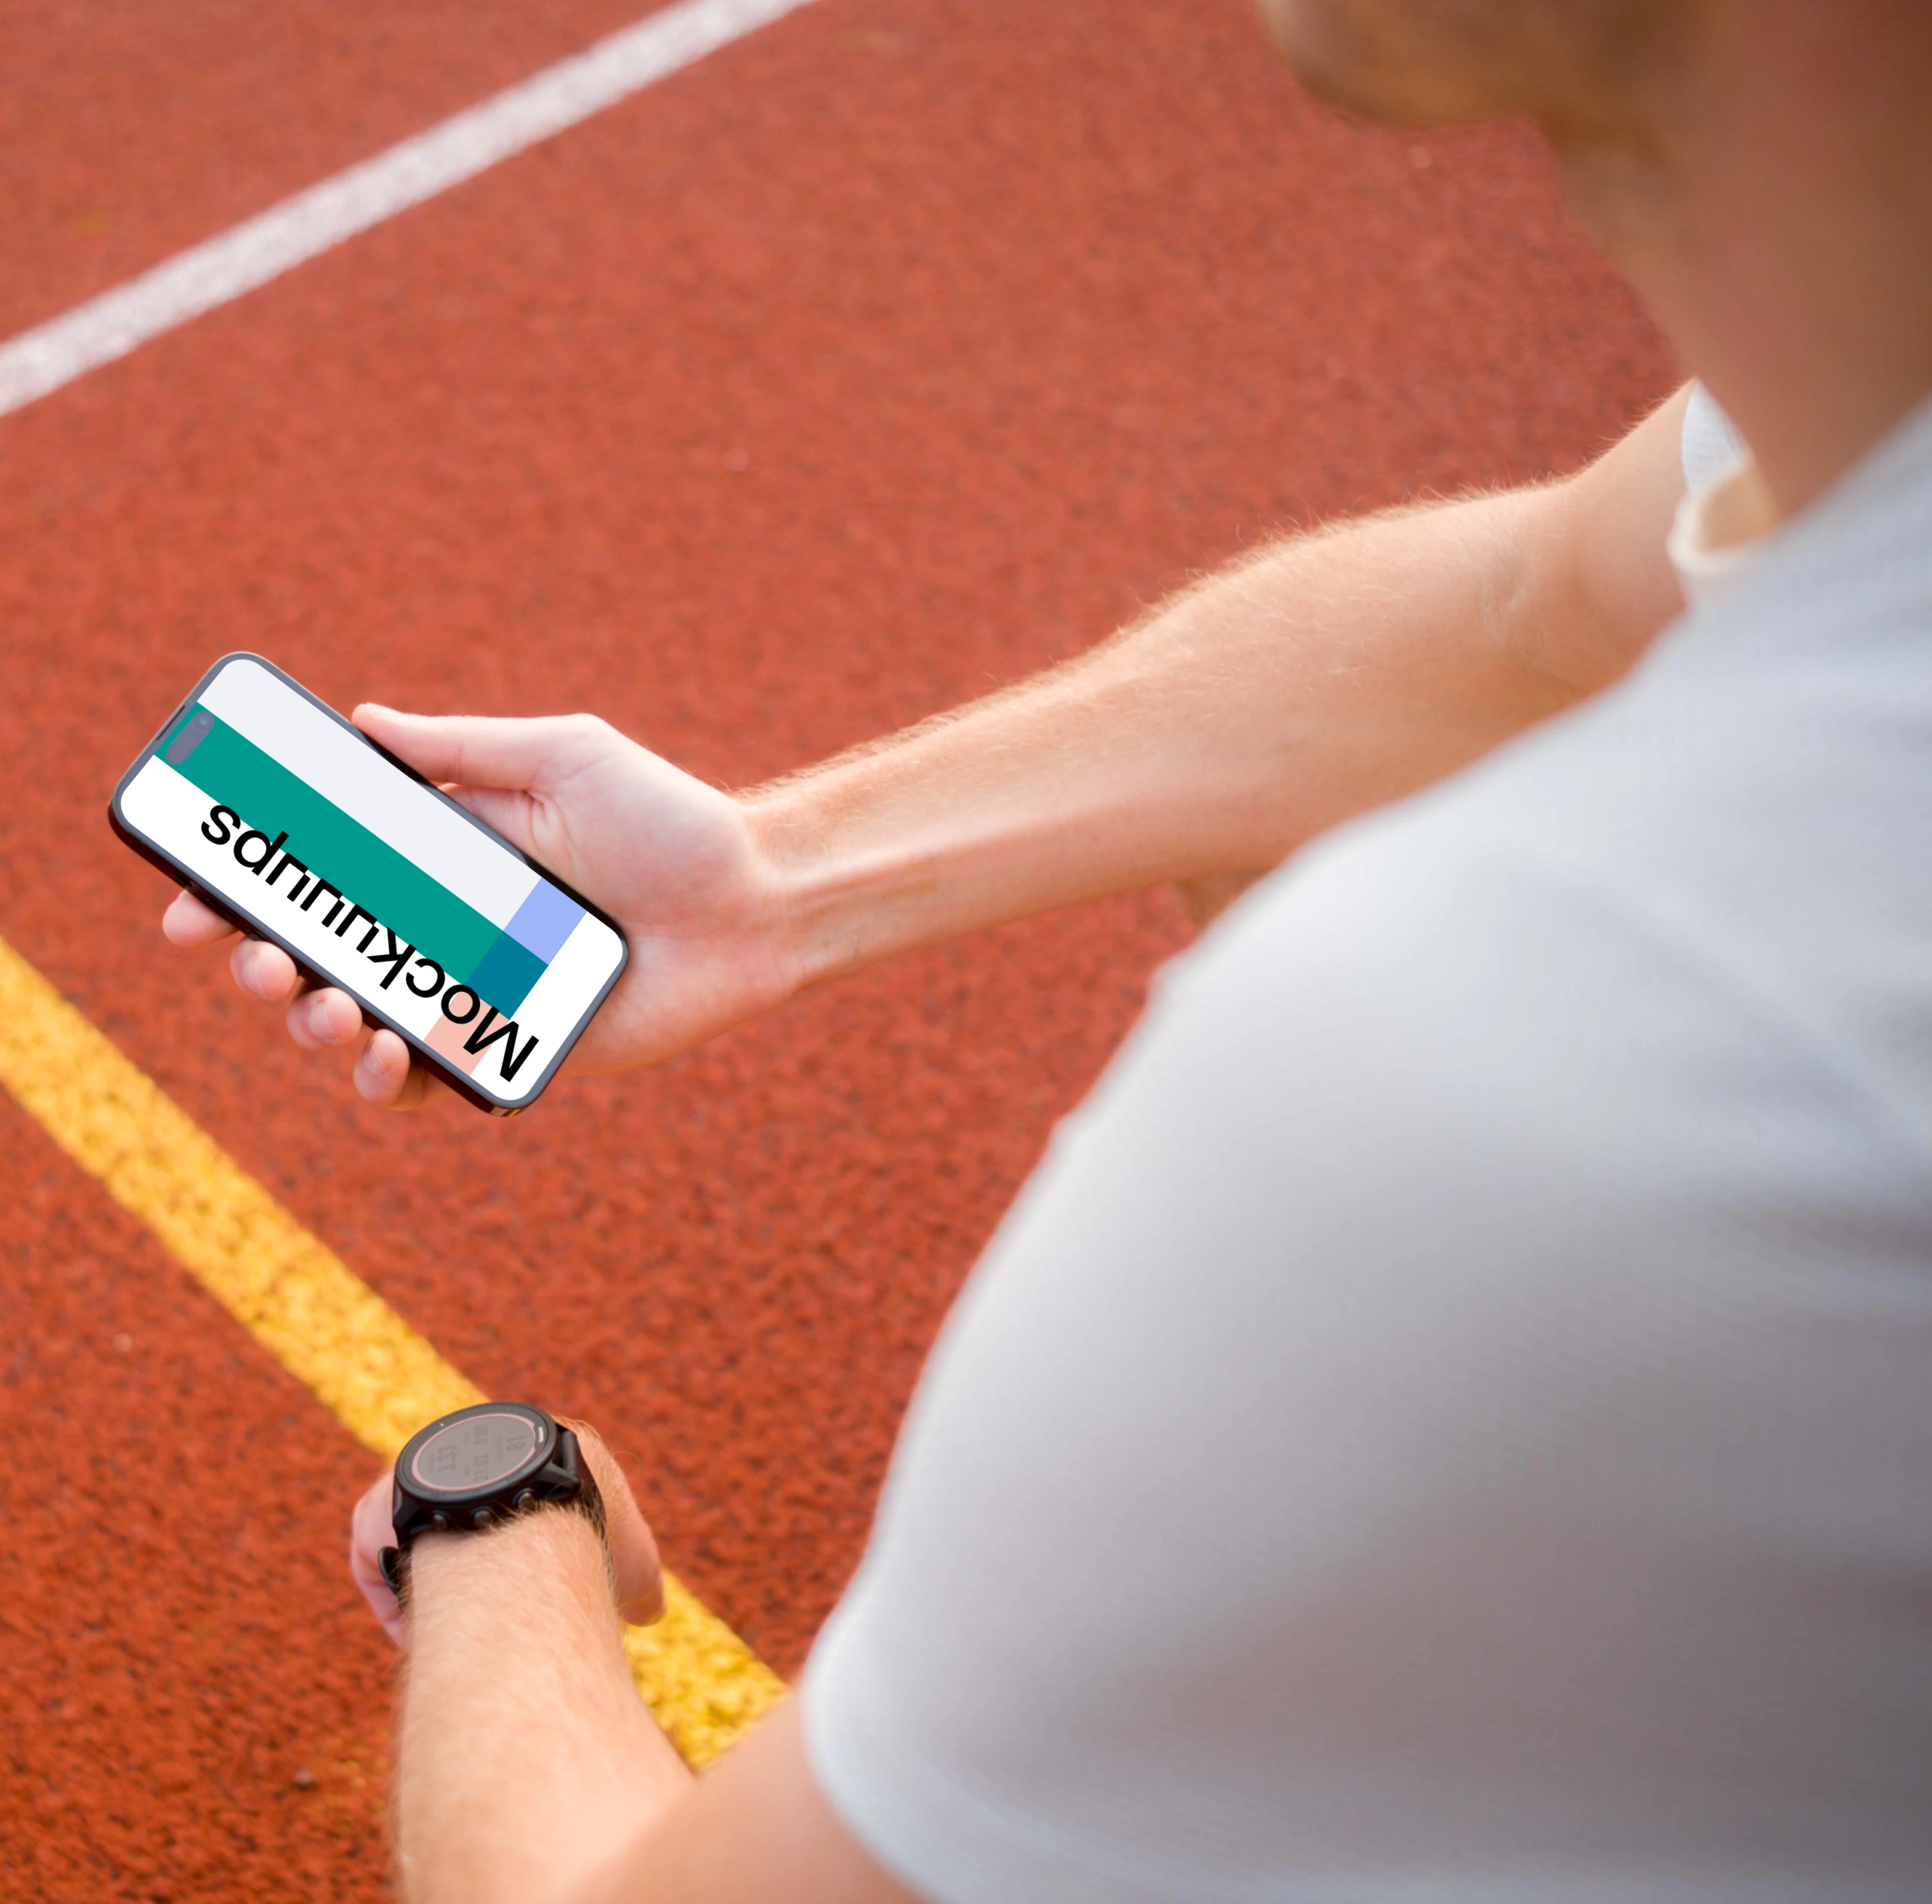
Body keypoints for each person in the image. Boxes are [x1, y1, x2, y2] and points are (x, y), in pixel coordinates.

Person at [160, 1, 1932, 1896]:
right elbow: (1527, 611)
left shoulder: (1498, 1070)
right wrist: (782, 875)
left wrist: (497, 1506)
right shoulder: (1853, 412)